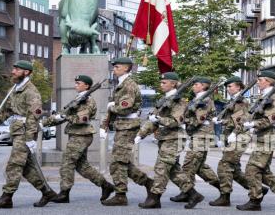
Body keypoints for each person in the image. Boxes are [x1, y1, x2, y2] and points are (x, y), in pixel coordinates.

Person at [0, 60, 57, 209]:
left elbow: (34, 116)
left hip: (25, 132)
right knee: (26, 168)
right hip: (18, 130)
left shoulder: (31, 91)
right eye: (14, 69)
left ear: (26, 72)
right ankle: (47, 192)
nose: (13, 72)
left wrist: (30, 138)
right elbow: (8, 110)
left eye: (17, 70)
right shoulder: (16, 89)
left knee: (14, 164)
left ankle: (7, 197)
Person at [135, 72, 204, 209]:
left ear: (173, 84)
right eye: (161, 82)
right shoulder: (163, 100)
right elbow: (151, 119)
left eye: (164, 82)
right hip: (165, 138)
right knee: (173, 171)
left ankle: (154, 198)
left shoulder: (179, 102)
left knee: (161, 168)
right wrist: (140, 135)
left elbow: (175, 122)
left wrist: (159, 119)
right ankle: (193, 194)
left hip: (175, 138)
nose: (161, 85)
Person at [43, 75, 114, 203]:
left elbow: (82, 119)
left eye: (78, 83)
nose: (75, 85)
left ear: (86, 86)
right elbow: (63, 113)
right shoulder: (78, 99)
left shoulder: (88, 101)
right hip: (77, 135)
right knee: (82, 166)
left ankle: (64, 193)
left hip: (81, 136)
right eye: (75, 82)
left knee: (67, 163)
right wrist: (44, 123)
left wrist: (66, 117)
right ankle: (106, 186)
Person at [236, 71, 275, 212]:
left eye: (260, 80)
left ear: (268, 81)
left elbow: (271, 119)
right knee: (262, 172)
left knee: (251, 169)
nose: (258, 82)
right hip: (262, 138)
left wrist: (253, 125)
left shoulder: (274, 98)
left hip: (268, 139)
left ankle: (255, 201)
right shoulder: (264, 97)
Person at [101, 57, 153, 206]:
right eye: (114, 67)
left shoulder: (128, 85)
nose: (114, 69)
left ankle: (121, 195)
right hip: (123, 125)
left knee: (117, 161)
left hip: (128, 126)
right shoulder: (122, 84)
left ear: (126, 68)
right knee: (121, 161)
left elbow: (125, 108)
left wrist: (111, 106)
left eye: (117, 67)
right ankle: (148, 184)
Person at [210, 76, 268, 207]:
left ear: (238, 87)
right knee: (234, 171)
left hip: (239, 136)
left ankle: (225, 197)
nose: (228, 88)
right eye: (227, 87)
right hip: (231, 135)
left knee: (224, 165)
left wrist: (224, 123)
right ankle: (258, 189)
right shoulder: (232, 100)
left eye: (230, 86)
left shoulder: (241, 102)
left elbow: (239, 121)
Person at [170, 77, 221, 203]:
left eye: (196, 84)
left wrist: (183, 122)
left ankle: (187, 192)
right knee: (199, 167)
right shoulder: (196, 99)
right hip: (198, 135)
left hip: (202, 135)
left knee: (189, 164)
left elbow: (199, 119)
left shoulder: (205, 100)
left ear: (203, 86)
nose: (193, 86)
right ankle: (224, 189)